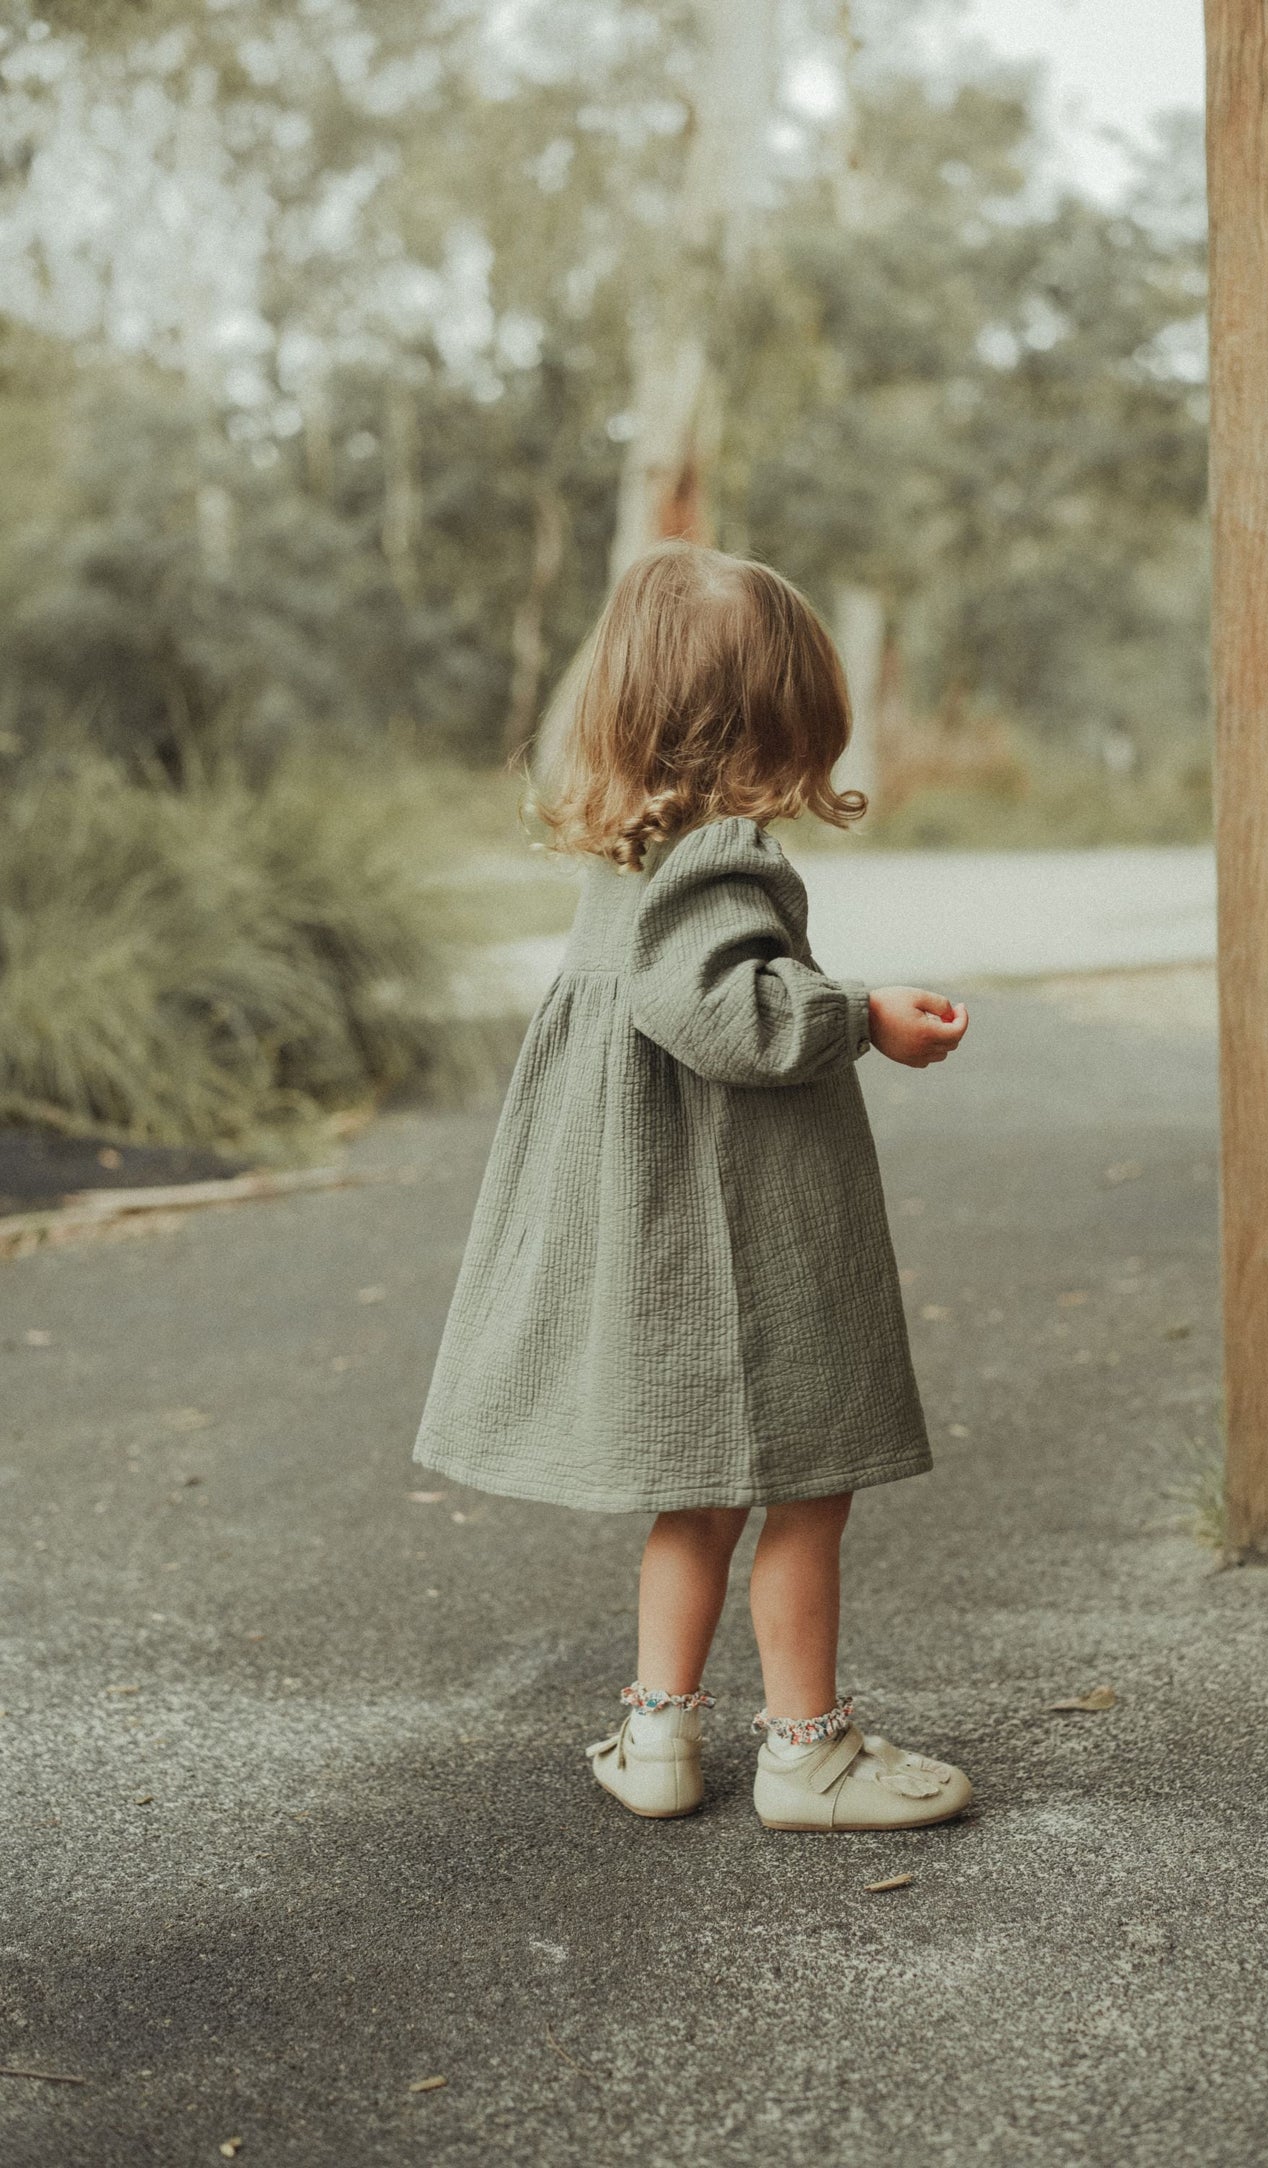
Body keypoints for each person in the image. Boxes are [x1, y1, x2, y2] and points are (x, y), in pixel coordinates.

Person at [413, 540, 972, 1832]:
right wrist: (861, 1017)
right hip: (747, 1249)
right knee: (805, 1489)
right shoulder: (724, 858)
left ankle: (657, 1737)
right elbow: (720, 1013)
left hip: (669, 1232)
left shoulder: (627, 862)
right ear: (760, 732)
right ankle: (806, 1751)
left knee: (696, 1496)